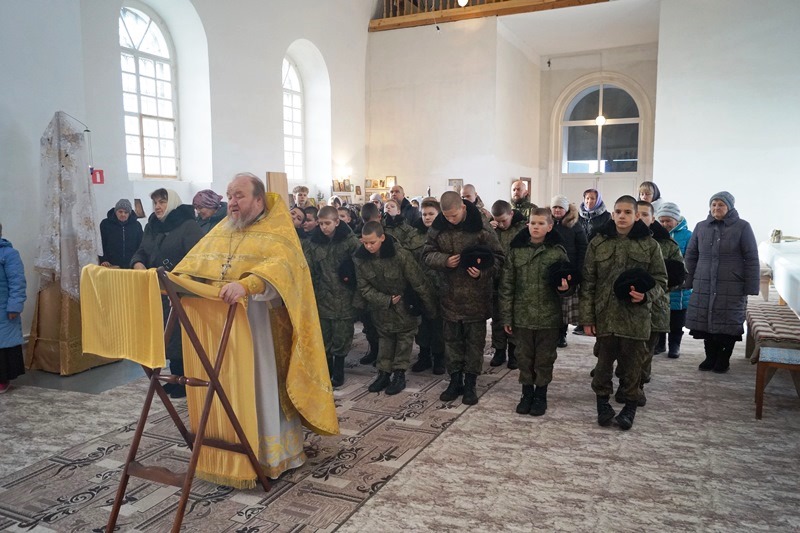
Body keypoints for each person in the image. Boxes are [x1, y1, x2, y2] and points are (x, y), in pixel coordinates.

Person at [173, 172, 337, 480]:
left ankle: (273, 455)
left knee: (262, 385)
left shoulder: (278, 230)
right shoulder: (224, 229)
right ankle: (232, 451)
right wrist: (176, 280)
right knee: (230, 387)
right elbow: (196, 261)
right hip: (222, 325)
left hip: (263, 325)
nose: (232, 202)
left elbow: (282, 270)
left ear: (258, 200)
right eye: (230, 196)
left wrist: (248, 285)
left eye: (240, 196)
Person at [581, 195, 667, 430]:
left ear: (637, 215)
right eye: (618, 211)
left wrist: (646, 296)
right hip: (605, 316)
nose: (622, 216)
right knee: (603, 366)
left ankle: (629, 409)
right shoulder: (598, 243)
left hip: (635, 318)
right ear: (612, 214)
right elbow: (588, 283)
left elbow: (661, 280)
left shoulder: (650, 245)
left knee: (633, 368)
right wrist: (587, 318)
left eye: (628, 212)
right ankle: (603, 405)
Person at [423, 191, 504, 405]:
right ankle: (455, 380)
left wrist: (483, 272)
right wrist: (444, 260)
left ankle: (470, 383)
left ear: (463, 208)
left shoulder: (481, 226)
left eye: (454, 216)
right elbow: (426, 254)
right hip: (448, 295)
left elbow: (498, 258)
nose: (450, 220)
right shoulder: (438, 228)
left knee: (474, 344)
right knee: (451, 342)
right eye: (447, 216)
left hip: (476, 297)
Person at [499, 208, 574, 416]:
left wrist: (566, 288)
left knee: (544, 358)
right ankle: (526, 393)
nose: (536, 227)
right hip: (522, 316)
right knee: (523, 357)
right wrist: (506, 315)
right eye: (533, 223)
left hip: (548, 317)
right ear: (527, 225)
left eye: (541, 224)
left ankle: (541, 394)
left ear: (550, 227)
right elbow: (507, 286)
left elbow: (568, 283)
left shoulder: (557, 251)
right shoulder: (516, 251)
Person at [131, 188, 203, 397]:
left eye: (162, 202)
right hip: (157, 291)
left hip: (180, 291)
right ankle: (174, 378)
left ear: (172, 202)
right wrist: (138, 262)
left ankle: (185, 380)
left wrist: (181, 280)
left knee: (181, 337)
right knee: (166, 337)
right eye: (155, 203)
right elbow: (143, 249)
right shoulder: (152, 226)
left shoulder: (188, 226)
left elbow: (197, 259)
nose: (158, 207)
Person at [355, 221, 436, 395]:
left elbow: (418, 282)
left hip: (405, 308)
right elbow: (363, 287)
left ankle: (399, 374)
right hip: (381, 309)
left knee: (403, 341)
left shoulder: (400, 255)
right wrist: (385, 300)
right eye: (365, 242)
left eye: (372, 242)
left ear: (382, 238)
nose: (368, 246)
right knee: (385, 340)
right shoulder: (360, 259)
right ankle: (383, 373)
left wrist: (430, 307)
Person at [685, 192, 759, 374]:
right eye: (714, 205)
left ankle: (723, 359)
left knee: (728, 321)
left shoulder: (742, 227)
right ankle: (710, 357)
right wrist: (688, 279)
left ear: (730, 207)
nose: (716, 208)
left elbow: (751, 258)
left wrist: (751, 286)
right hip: (704, 280)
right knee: (705, 321)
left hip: (732, 282)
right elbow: (691, 255)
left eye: (721, 205)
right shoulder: (701, 227)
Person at [632, 200, 682, 407]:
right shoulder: (622, 241)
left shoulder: (668, 246)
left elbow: (678, 278)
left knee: (646, 350)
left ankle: (638, 387)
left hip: (655, 306)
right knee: (628, 349)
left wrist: (650, 289)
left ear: (653, 219)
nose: (641, 218)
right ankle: (627, 381)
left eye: (646, 214)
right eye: (638, 214)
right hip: (627, 306)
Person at [302, 206, 360, 387]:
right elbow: (310, 269)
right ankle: (327, 367)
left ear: (337, 222)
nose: (324, 227)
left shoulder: (350, 241)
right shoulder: (314, 243)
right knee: (325, 334)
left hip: (345, 295)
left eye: (327, 223)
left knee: (342, 335)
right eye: (320, 224)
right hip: (323, 295)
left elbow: (360, 267)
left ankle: (339, 369)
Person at [407, 197, 445, 375]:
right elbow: (408, 261)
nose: (427, 217)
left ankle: (439, 357)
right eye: (424, 214)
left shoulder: (445, 234)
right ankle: (424, 356)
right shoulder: (414, 235)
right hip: (420, 287)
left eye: (431, 214)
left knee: (438, 325)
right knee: (422, 325)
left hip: (441, 287)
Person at [488, 200, 527, 369]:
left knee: (514, 318)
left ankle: (513, 351)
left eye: (504, 220)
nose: (502, 224)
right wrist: (489, 228)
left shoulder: (523, 229)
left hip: (515, 281)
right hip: (495, 280)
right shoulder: (492, 229)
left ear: (511, 214)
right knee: (497, 317)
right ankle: (499, 349)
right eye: (499, 220)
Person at [550, 195, 588, 347]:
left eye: (560, 207)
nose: (558, 210)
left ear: (566, 210)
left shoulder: (575, 225)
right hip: (551, 269)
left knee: (564, 305)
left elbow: (583, 248)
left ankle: (562, 334)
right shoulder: (547, 222)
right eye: (555, 207)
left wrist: (578, 270)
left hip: (568, 269)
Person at [657, 202, 692, 358]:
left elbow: (690, 258)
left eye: (668, 221)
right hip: (661, 283)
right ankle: (659, 344)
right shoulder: (655, 235)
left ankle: (674, 345)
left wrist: (683, 278)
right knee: (659, 315)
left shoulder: (688, 235)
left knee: (676, 320)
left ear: (676, 220)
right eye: (662, 221)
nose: (665, 224)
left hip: (680, 285)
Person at [0, 223, 26, 394]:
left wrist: (14, 307)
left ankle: (3, 379)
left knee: (3, 346)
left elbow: (17, 282)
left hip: (4, 309)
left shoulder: (9, 254)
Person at [356, 202, 383, 365]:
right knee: (369, 324)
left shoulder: (387, 233)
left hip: (384, 286)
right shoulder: (359, 233)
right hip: (366, 287)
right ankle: (374, 351)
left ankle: (385, 356)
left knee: (384, 327)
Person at [98, 199, 143, 269]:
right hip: (111, 266)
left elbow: (141, 246)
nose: (123, 214)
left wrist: (138, 261)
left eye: (126, 212)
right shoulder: (105, 224)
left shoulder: (136, 226)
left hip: (131, 266)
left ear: (130, 213)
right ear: (116, 212)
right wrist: (103, 259)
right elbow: (100, 244)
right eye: (120, 211)